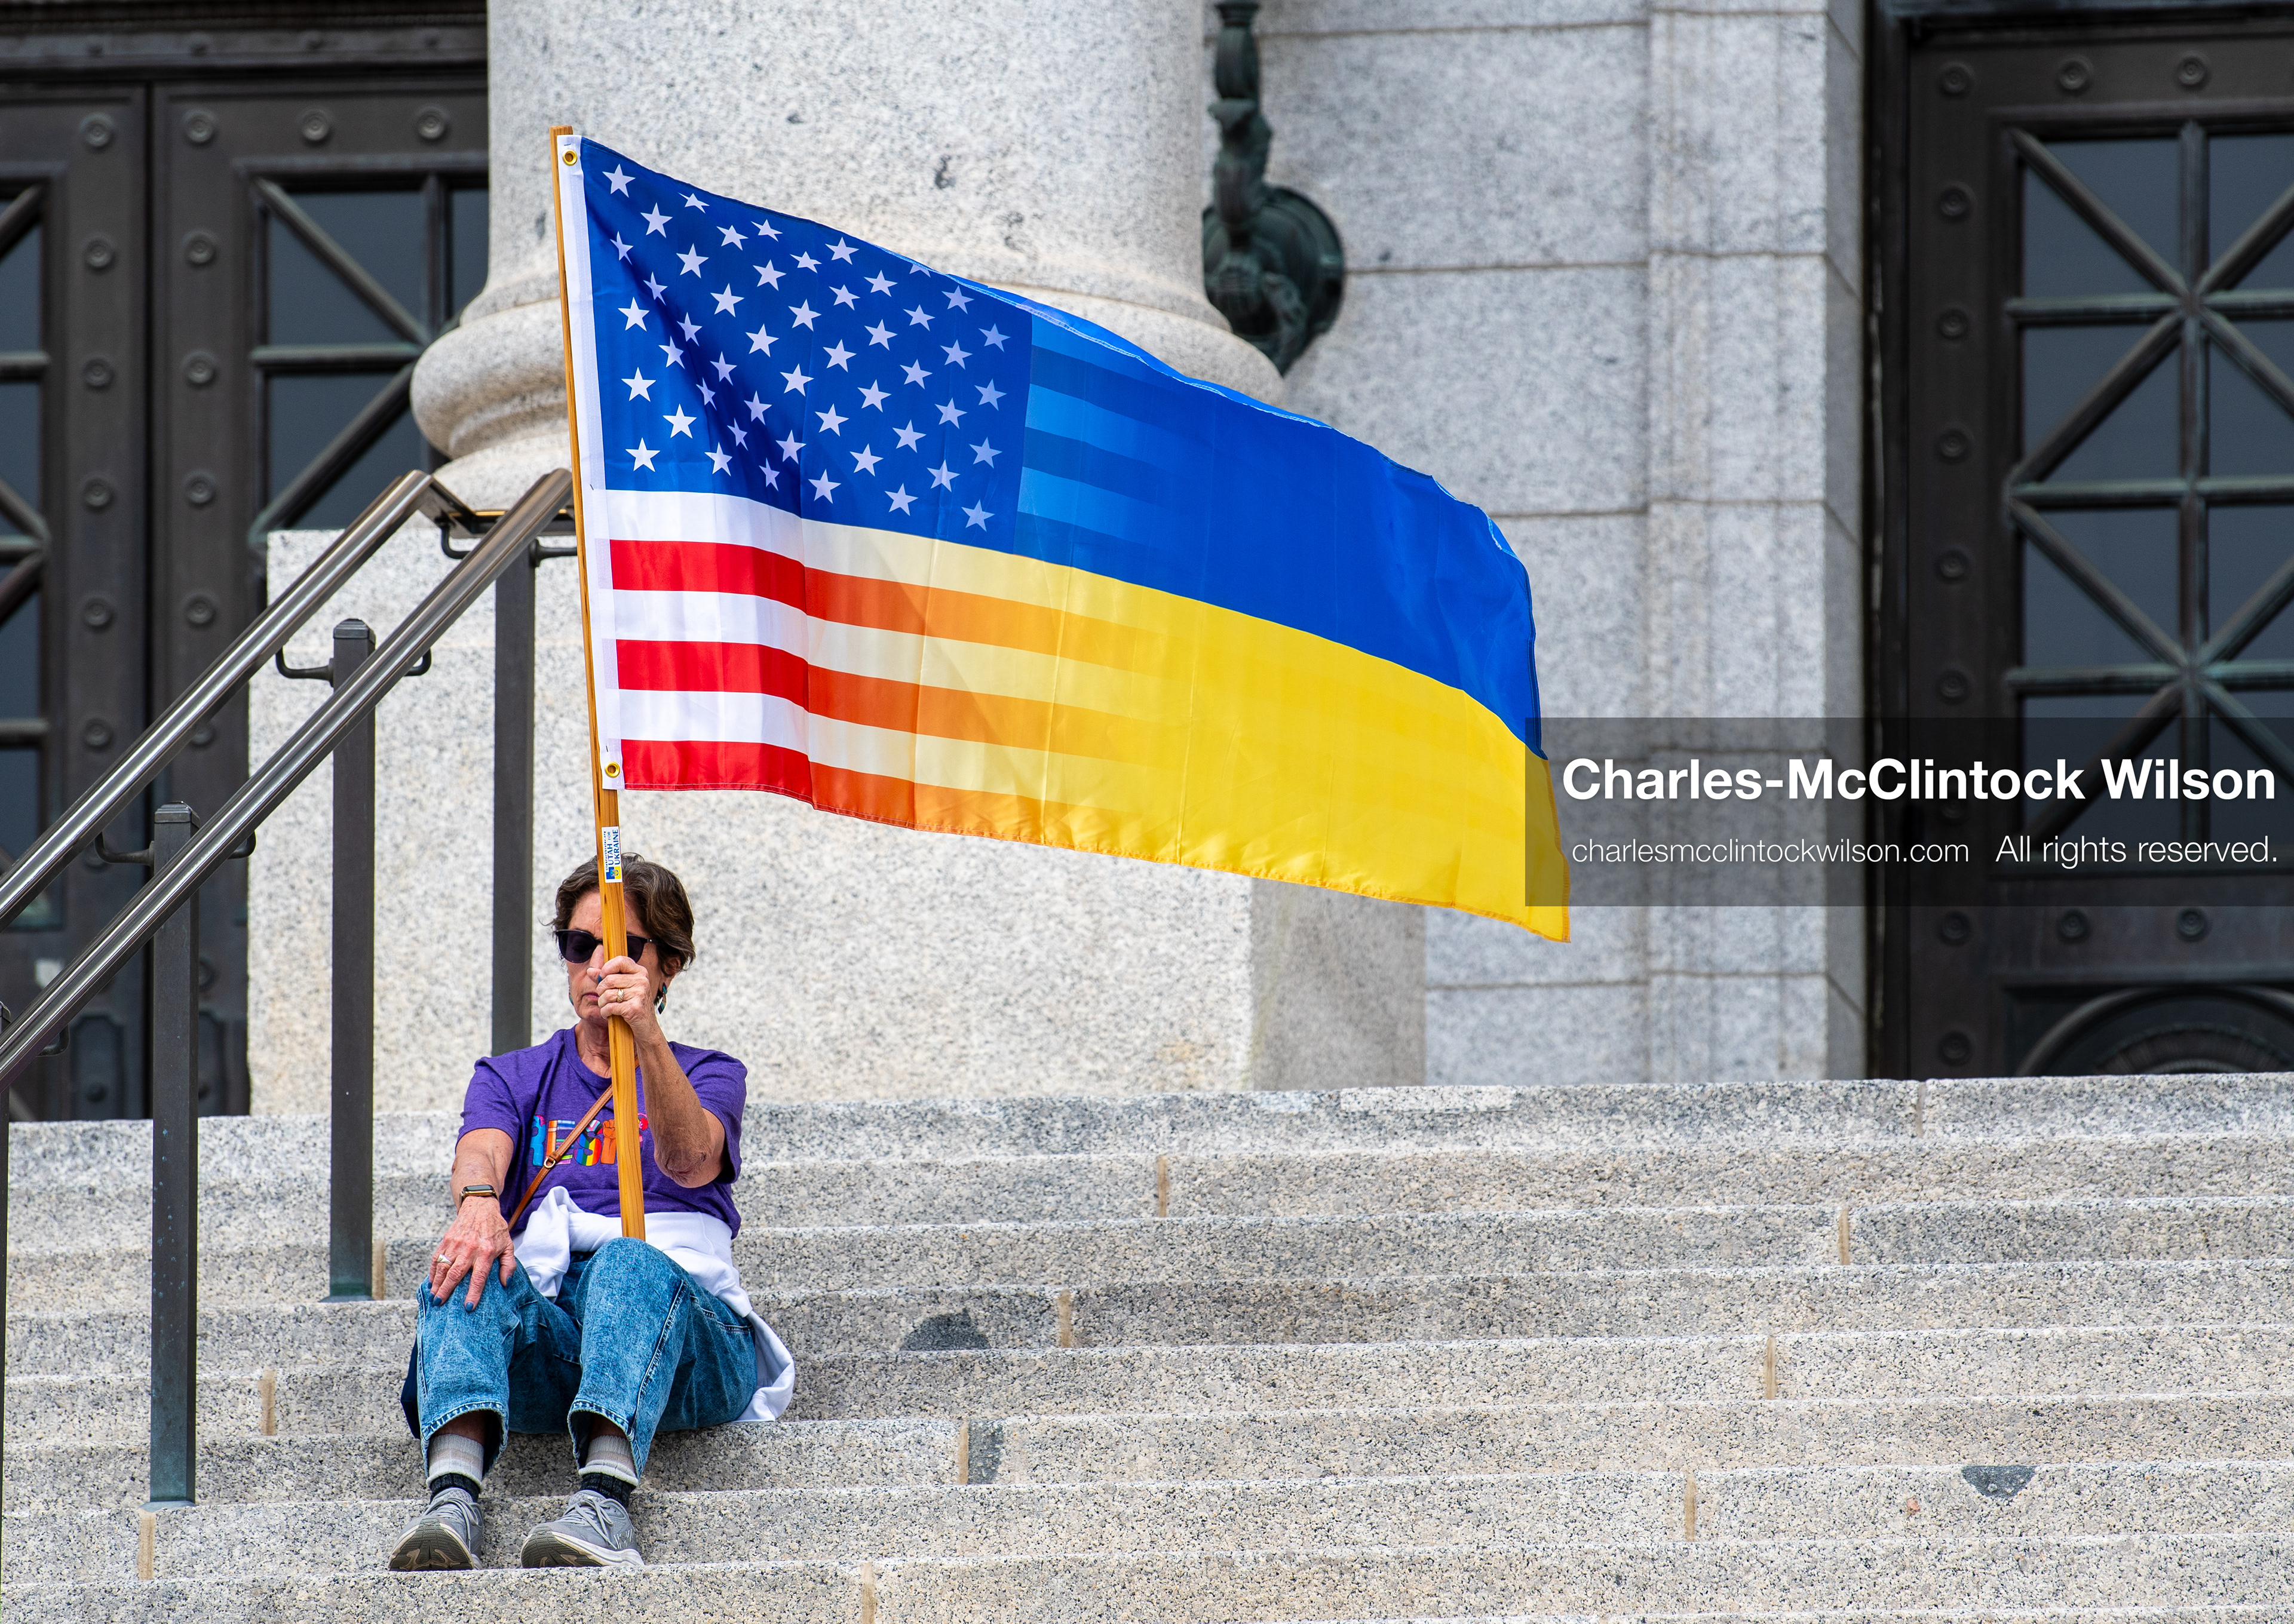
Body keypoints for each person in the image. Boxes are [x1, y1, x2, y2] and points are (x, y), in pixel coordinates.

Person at [388, 853, 792, 1571]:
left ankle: (604, 1502)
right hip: (558, 1331)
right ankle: (451, 1500)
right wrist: (480, 1205)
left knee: (628, 1262)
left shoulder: (710, 1071)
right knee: (471, 1257)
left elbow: (690, 1159)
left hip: (685, 1336)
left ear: (667, 965)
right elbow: (478, 1153)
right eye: (581, 945)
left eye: (624, 947)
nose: (598, 963)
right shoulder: (513, 1074)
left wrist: (645, 1036)